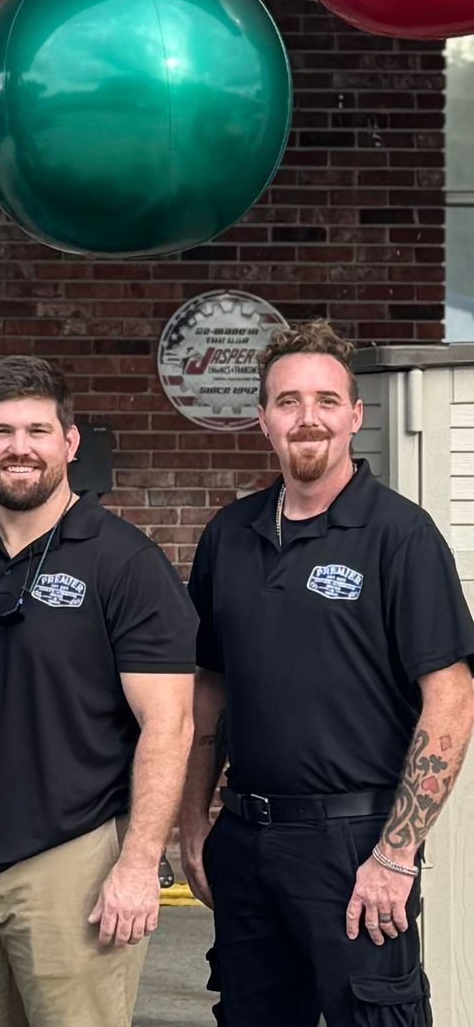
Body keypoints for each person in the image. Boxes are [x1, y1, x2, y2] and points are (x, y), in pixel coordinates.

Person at [179, 319, 474, 1026]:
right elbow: (209, 688)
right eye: (288, 401)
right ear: (262, 419)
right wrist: (193, 822)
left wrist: (395, 856)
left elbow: (452, 698)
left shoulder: (400, 535)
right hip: (246, 838)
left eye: (326, 400)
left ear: (354, 416)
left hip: (356, 844)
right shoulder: (230, 534)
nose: (307, 418)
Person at [0, 355, 195, 1027]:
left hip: (73, 862)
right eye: (2, 431)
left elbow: (170, 725)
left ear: (69, 443)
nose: (20, 448)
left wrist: (137, 864)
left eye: (38, 431)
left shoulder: (124, 562)